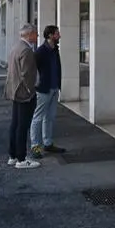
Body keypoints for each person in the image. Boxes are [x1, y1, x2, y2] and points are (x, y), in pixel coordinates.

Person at [3, 23, 40, 170]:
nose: (37, 36)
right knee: (22, 126)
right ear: (29, 34)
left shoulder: (16, 47)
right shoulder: (26, 50)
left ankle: (13, 156)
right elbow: (27, 75)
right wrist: (31, 91)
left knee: (15, 124)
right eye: (35, 33)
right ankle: (22, 159)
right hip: (24, 93)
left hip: (14, 91)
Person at [30, 25, 67, 159]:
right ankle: (35, 146)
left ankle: (48, 143)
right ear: (50, 36)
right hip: (44, 89)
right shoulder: (40, 52)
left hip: (54, 88)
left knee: (50, 117)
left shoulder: (55, 50)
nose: (59, 36)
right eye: (57, 34)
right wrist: (36, 84)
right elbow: (32, 69)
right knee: (38, 117)